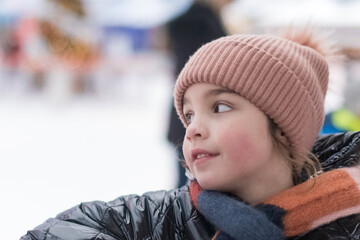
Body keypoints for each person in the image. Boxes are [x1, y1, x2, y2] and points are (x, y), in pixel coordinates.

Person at [21, 30, 360, 239]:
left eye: (221, 107)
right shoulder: (159, 218)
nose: (193, 127)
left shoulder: (347, 219)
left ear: (283, 129)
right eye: (188, 113)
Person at [166, 0, 230, 187]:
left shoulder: (202, 17)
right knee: (188, 180)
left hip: (196, 110)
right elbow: (194, 65)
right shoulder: (194, 19)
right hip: (193, 110)